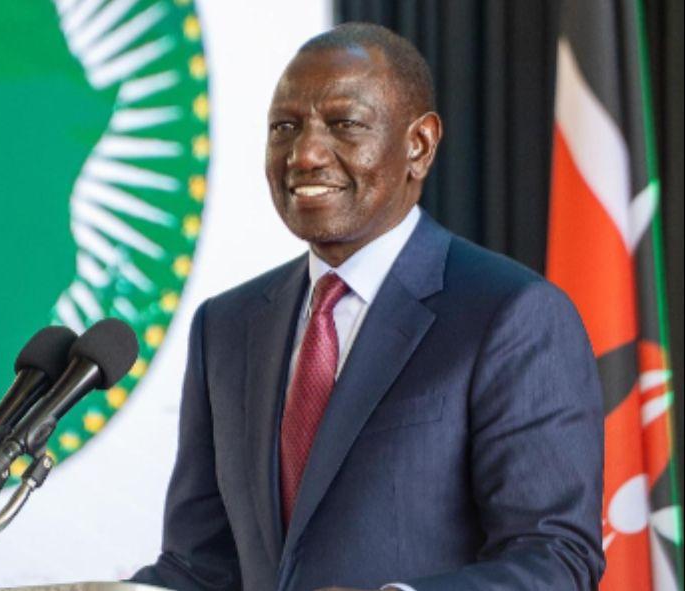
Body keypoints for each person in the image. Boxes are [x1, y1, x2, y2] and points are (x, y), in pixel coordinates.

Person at [132, 22, 604, 591]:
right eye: (284, 127)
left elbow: (555, 559)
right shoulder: (226, 326)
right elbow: (198, 567)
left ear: (419, 146)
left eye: (344, 125)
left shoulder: (512, 316)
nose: (304, 154)